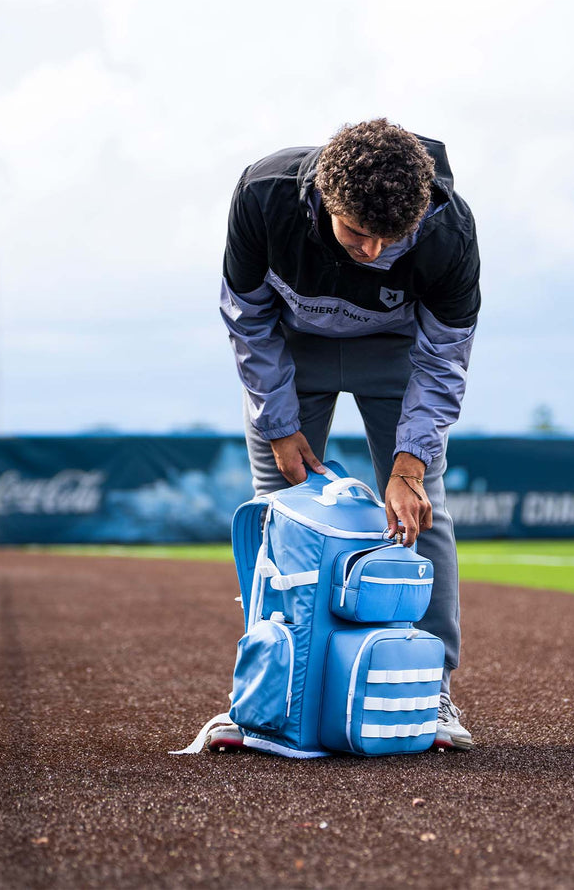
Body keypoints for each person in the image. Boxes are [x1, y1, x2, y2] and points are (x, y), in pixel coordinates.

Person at [214, 118, 480, 750]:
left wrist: (409, 466)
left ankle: (430, 686)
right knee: (279, 513)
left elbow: (444, 358)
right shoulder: (264, 195)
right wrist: (278, 425)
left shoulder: (447, 232)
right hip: (290, 350)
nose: (371, 252)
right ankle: (269, 689)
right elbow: (247, 319)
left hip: (395, 351)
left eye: (391, 237)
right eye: (358, 232)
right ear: (325, 199)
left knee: (424, 511)